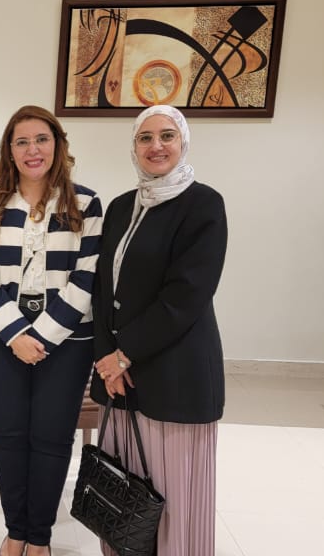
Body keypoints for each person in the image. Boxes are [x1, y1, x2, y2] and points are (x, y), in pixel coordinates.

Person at [0, 106, 102, 556]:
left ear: (58, 144)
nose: (32, 150)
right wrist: (16, 335)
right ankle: (15, 531)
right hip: (0, 338)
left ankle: (39, 537)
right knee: (7, 437)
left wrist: (41, 336)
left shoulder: (86, 204)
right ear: (9, 150)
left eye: (41, 139)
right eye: (21, 142)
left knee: (52, 438)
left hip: (67, 342)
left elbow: (87, 278)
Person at [91, 105, 227, 556]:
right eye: (145, 138)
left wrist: (123, 354)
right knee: (125, 496)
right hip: (121, 376)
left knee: (170, 499)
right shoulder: (120, 207)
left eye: (167, 135)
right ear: (133, 146)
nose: (156, 146)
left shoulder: (203, 205)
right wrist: (106, 358)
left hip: (174, 374)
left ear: (183, 142)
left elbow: (185, 296)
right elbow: (101, 288)